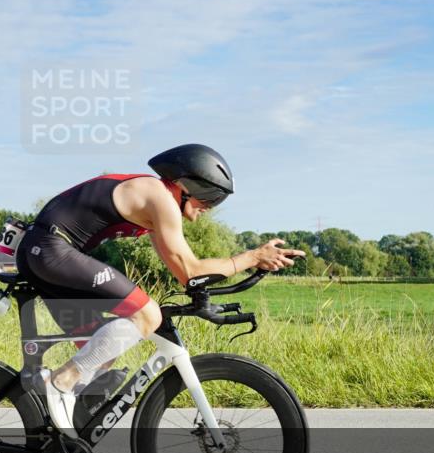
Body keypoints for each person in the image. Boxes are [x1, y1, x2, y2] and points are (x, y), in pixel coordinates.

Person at [15, 144, 305, 438]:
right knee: (147, 316)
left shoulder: (153, 203)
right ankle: (61, 382)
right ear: (188, 185)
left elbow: (184, 274)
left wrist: (217, 282)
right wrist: (253, 257)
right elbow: (191, 269)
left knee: (102, 350)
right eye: (211, 197)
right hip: (51, 250)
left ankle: (62, 448)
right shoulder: (160, 197)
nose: (210, 207)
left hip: (44, 252)